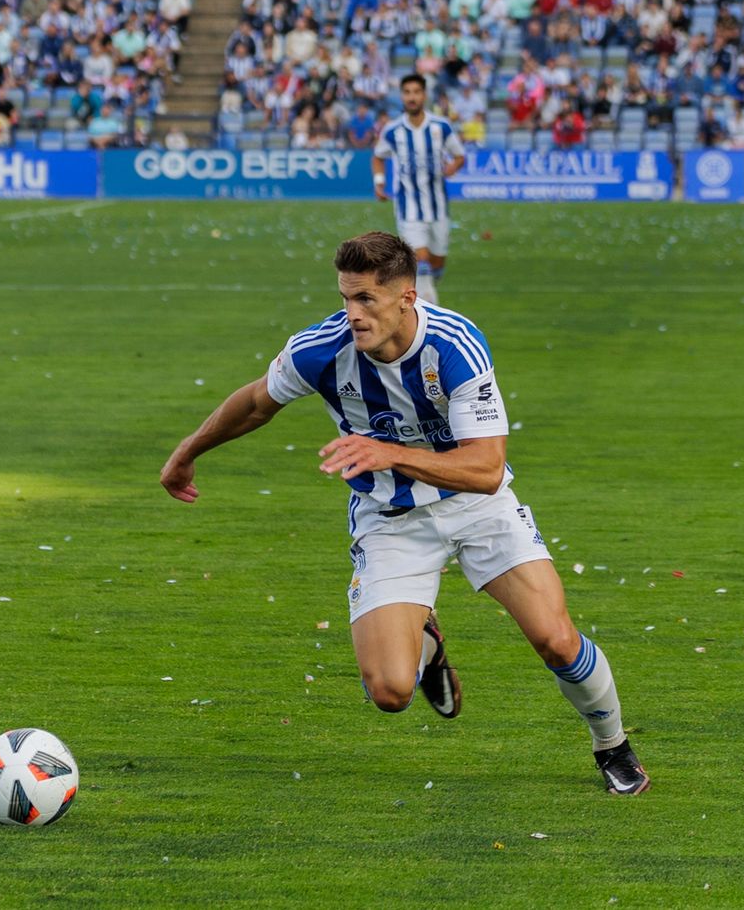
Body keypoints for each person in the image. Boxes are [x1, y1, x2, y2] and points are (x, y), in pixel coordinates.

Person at [160, 231, 649, 796]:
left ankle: (612, 745)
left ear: (406, 298)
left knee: (556, 640)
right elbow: (254, 404)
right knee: (390, 692)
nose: (352, 314)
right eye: (345, 297)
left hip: (478, 506)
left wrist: (390, 452)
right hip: (389, 518)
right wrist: (187, 452)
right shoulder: (318, 349)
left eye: (366, 299)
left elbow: (486, 469)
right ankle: (428, 643)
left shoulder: (456, 345)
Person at [373, 75, 464, 304]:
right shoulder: (393, 130)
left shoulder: (440, 127)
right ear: (402, 96)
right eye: (407, 92)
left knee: (436, 264)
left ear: (424, 95)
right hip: (408, 208)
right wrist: (379, 182)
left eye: (416, 92)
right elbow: (377, 156)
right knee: (419, 262)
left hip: (438, 208)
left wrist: (452, 167)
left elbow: (459, 154)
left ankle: (429, 288)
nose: (411, 97)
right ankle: (430, 316)